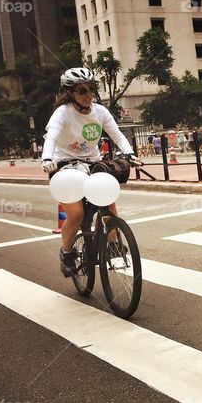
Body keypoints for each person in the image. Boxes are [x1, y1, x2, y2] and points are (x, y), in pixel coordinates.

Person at [41, 67, 138, 277]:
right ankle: (66, 253)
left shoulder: (100, 112)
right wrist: (47, 158)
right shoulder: (63, 113)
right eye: (81, 91)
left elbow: (118, 135)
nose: (87, 95)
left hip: (92, 162)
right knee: (76, 214)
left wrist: (129, 153)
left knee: (108, 203)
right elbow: (52, 137)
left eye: (89, 90)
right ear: (70, 93)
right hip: (64, 165)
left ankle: (112, 247)